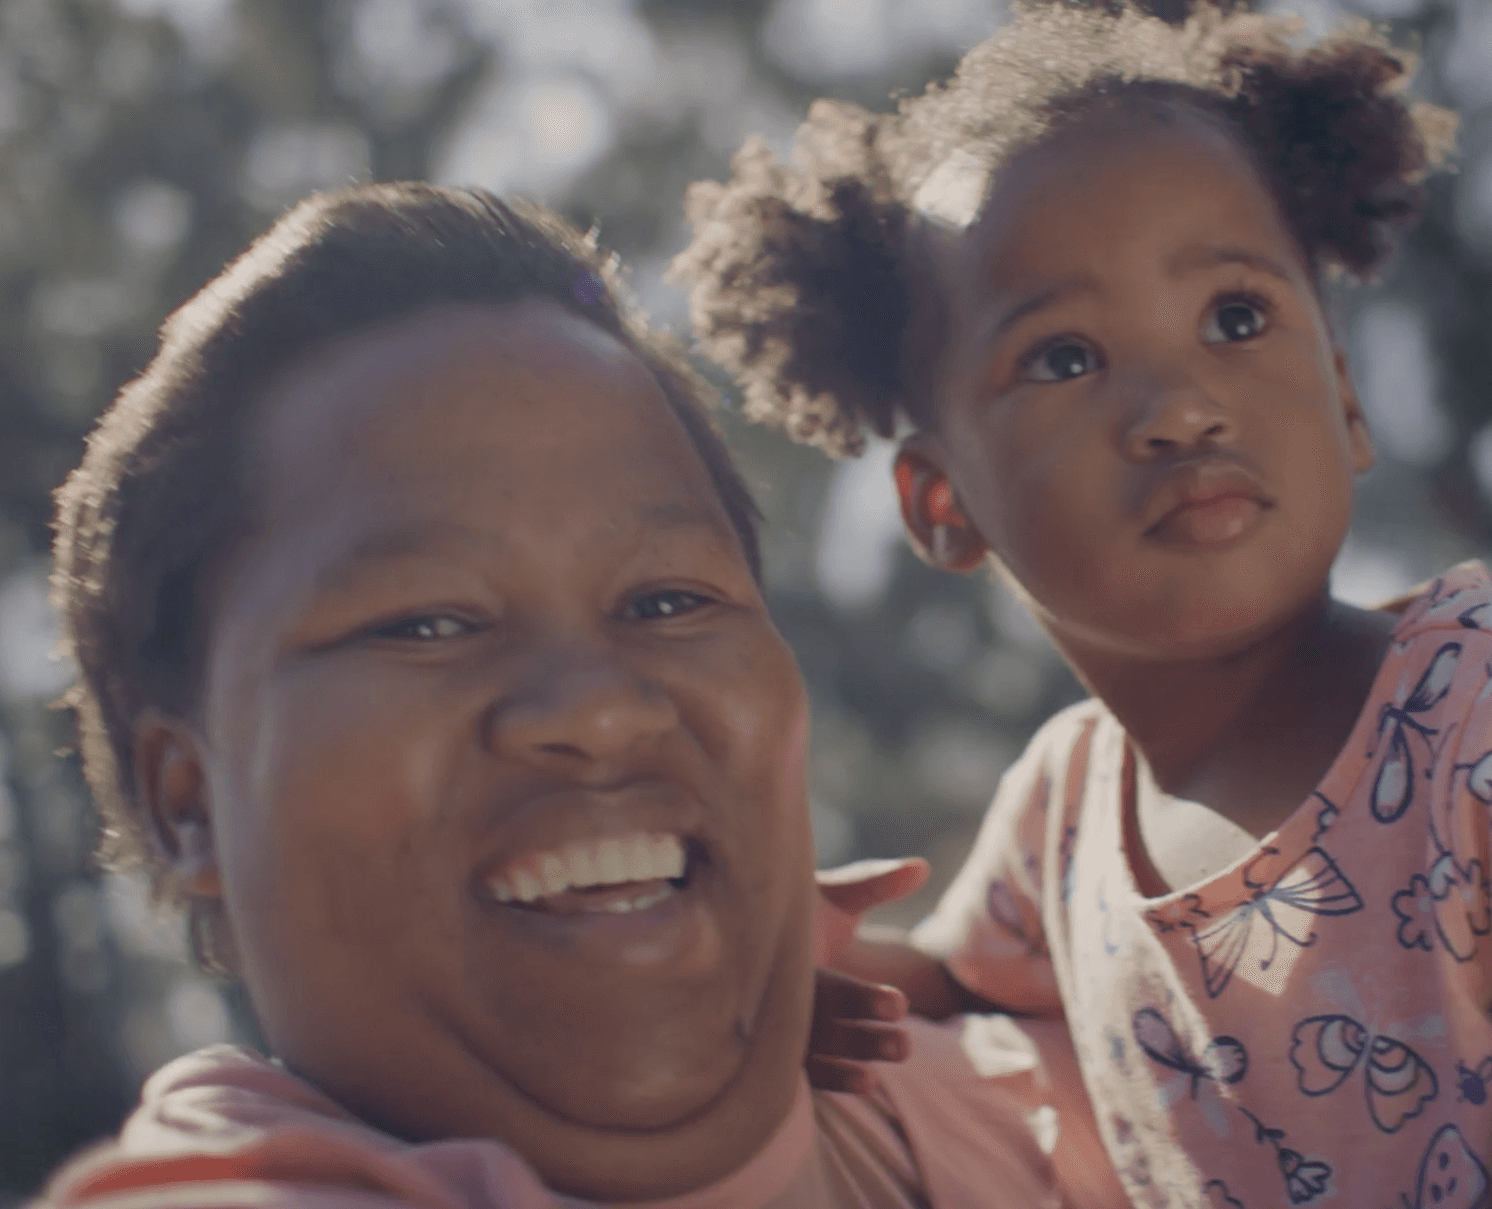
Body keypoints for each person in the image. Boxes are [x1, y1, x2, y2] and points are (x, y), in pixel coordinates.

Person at [672, 3, 1492, 1206]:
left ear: (1345, 398)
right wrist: (792, 970)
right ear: (943, 505)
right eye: (1063, 357)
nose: (1180, 405)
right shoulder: (1063, 806)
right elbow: (959, 981)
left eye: (1234, 318)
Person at [36, 182, 1126, 1209]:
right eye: (426, 623)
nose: (601, 709)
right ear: (187, 802)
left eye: (665, 602)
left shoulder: (1132, 1088)